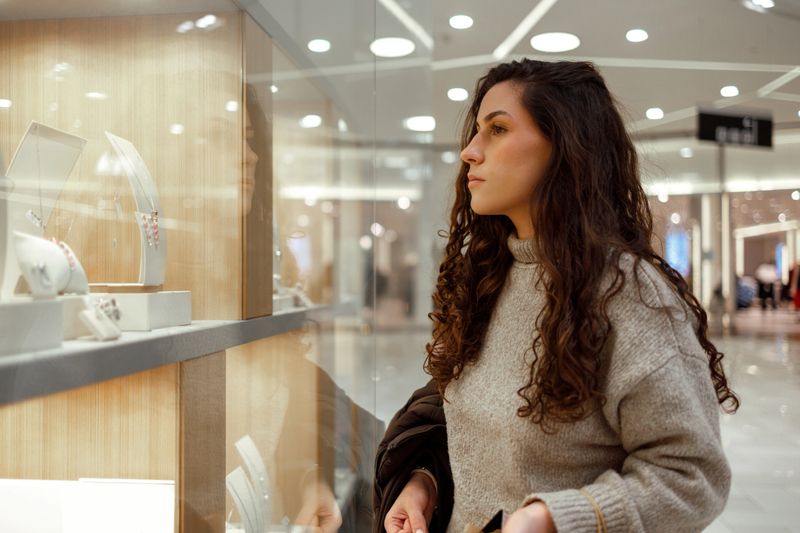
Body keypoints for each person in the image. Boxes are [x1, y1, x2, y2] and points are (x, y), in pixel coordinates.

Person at [377, 59, 739, 533]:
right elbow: (471, 432)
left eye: (498, 130)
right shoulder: (489, 278)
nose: (469, 151)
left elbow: (693, 478)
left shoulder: (629, 295)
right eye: (476, 131)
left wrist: (553, 519)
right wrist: (425, 483)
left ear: (563, 147)